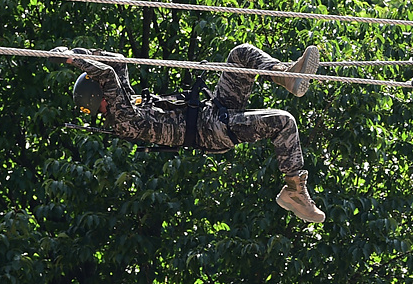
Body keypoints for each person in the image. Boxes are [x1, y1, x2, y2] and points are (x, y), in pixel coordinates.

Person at [58, 43, 326, 222]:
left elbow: (116, 64)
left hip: (211, 110)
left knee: (241, 54)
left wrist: (82, 52)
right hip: (210, 131)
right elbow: (106, 74)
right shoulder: (122, 119)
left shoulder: (125, 102)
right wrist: (75, 60)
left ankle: (285, 74)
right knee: (283, 121)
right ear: (99, 95)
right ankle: (294, 191)